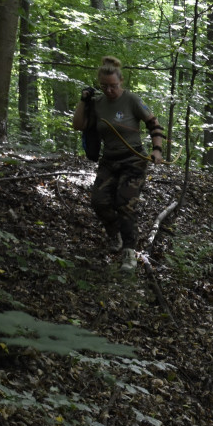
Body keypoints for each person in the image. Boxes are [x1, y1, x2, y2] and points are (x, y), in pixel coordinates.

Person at [72, 56, 164, 272]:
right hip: (109, 161)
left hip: (134, 160)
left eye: (113, 86)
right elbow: (78, 125)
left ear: (120, 81)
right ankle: (115, 234)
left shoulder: (132, 100)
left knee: (125, 203)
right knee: (99, 202)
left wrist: (157, 149)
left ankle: (129, 252)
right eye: (104, 86)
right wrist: (83, 101)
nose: (109, 90)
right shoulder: (97, 104)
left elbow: (154, 124)